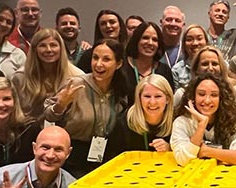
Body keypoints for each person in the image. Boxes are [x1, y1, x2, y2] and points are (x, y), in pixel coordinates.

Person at [45, 38, 127, 178]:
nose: (98, 64)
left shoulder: (120, 91)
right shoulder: (76, 84)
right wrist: (61, 105)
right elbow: (48, 114)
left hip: (103, 156)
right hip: (73, 158)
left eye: (106, 59)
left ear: (118, 64)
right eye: (95, 58)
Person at [170, 73, 236, 166]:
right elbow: (182, 159)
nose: (207, 100)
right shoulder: (181, 122)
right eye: (201, 94)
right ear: (193, 97)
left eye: (214, 95)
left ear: (221, 98)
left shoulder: (234, 122)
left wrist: (207, 151)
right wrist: (202, 125)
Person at [11, 27, 84, 123]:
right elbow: (16, 112)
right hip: (27, 131)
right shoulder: (20, 77)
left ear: (61, 48)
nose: (49, 50)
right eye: (42, 46)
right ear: (34, 49)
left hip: (64, 132)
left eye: (53, 45)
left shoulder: (77, 77)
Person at [173, 46, 236, 117]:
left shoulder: (234, 92)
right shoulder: (181, 94)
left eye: (215, 64)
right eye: (205, 64)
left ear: (221, 68)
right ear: (196, 69)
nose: (210, 68)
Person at [111, 74, 175, 153]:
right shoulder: (125, 122)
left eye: (158, 96)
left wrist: (170, 149)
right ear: (139, 98)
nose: (152, 102)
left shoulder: (176, 121)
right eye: (147, 96)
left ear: (168, 99)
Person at [120, 21, 176, 103]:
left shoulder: (164, 71)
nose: (150, 43)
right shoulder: (122, 67)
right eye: (145, 38)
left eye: (155, 40)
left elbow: (169, 101)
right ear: (136, 40)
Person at [171, 24, 210, 92]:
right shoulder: (176, 70)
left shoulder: (220, 65)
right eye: (189, 39)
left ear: (206, 41)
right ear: (184, 44)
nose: (195, 43)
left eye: (199, 38)